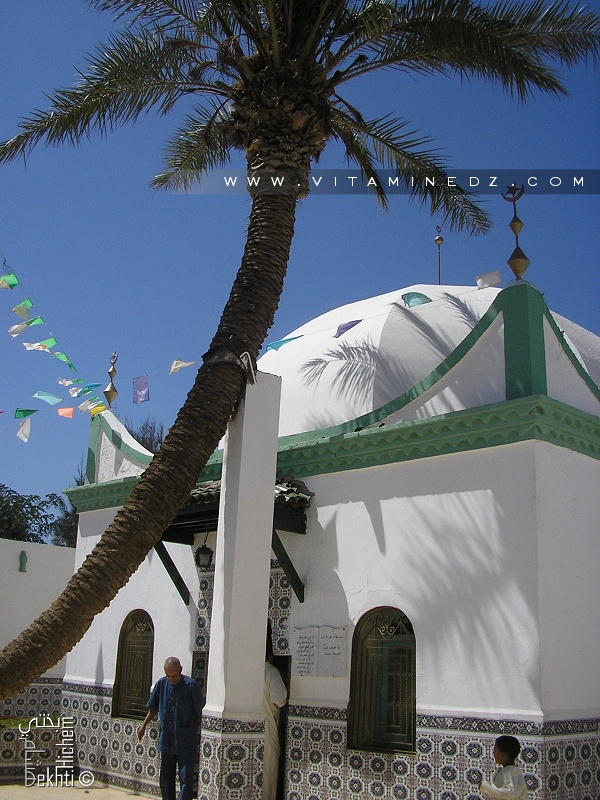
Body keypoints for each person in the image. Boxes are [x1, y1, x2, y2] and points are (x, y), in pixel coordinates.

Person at [137, 656, 205, 800]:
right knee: (166, 778)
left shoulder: (191, 686)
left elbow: (200, 712)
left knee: (185, 778)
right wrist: (143, 725)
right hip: (167, 739)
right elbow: (153, 708)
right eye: (169, 676)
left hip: (185, 740)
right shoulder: (161, 684)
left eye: (174, 676)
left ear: (180, 670)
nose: (172, 679)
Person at [262, 657, 287, 800]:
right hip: (267, 728)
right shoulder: (270, 672)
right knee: (268, 770)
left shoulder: (246, 669)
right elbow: (280, 700)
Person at [479, 735, 528, 799]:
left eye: (495, 750)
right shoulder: (509, 770)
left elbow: (509, 793)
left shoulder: (512, 771)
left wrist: (485, 787)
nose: (493, 753)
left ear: (502, 755)